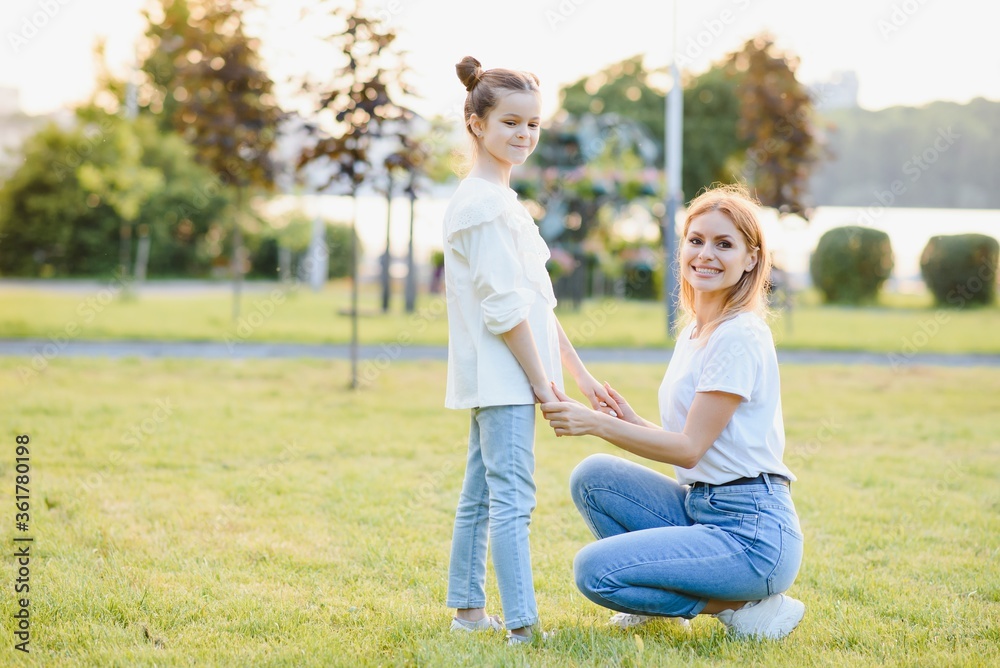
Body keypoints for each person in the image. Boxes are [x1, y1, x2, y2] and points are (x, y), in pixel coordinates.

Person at [540, 184, 806, 640]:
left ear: (751, 259)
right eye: (697, 240)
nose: (706, 253)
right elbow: (697, 444)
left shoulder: (739, 335)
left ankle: (744, 608)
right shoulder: (696, 333)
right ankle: (678, 596)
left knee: (595, 572)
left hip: (752, 534)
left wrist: (597, 425)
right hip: (700, 505)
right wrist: (629, 422)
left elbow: (687, 449)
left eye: (725, 244)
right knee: (594, 477)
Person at [442, 56, 620, 645]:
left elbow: (537, 304)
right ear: (476, 123)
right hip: (505, 378)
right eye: (510, 123)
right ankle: (522, 627)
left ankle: (469, 613)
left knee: (483, 494)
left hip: (512, 376)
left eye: (533, 124)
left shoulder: (501, 200)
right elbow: (504, 310)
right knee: (511, 500)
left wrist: (581, 376)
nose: (523, 135)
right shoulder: (482, 205)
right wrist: (543, 385)